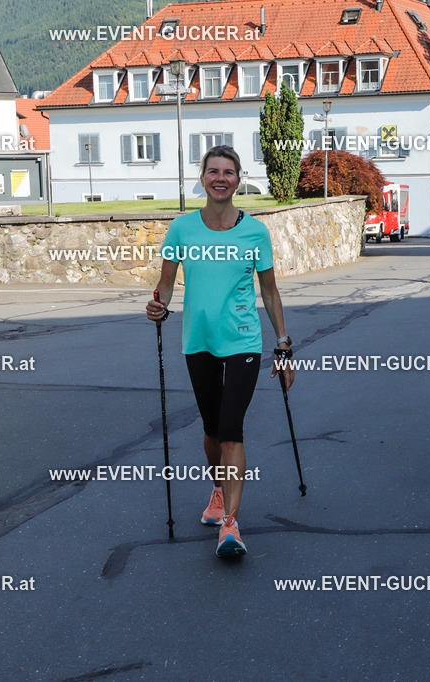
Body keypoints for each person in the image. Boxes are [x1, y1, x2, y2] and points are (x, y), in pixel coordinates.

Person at [147, 145, 295, 558]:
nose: (220, 178)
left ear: (238, 178)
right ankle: (218, 488)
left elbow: (269, 290)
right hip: (198, 342)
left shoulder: (254, 232)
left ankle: (230, 524)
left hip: (244, 341)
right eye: (213, 171)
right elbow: (165, 286)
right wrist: (156, 307)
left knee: (231, 429)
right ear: (202, 177)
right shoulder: (181, 230)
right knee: (212, 432)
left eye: (228, 172)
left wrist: (283, 344)